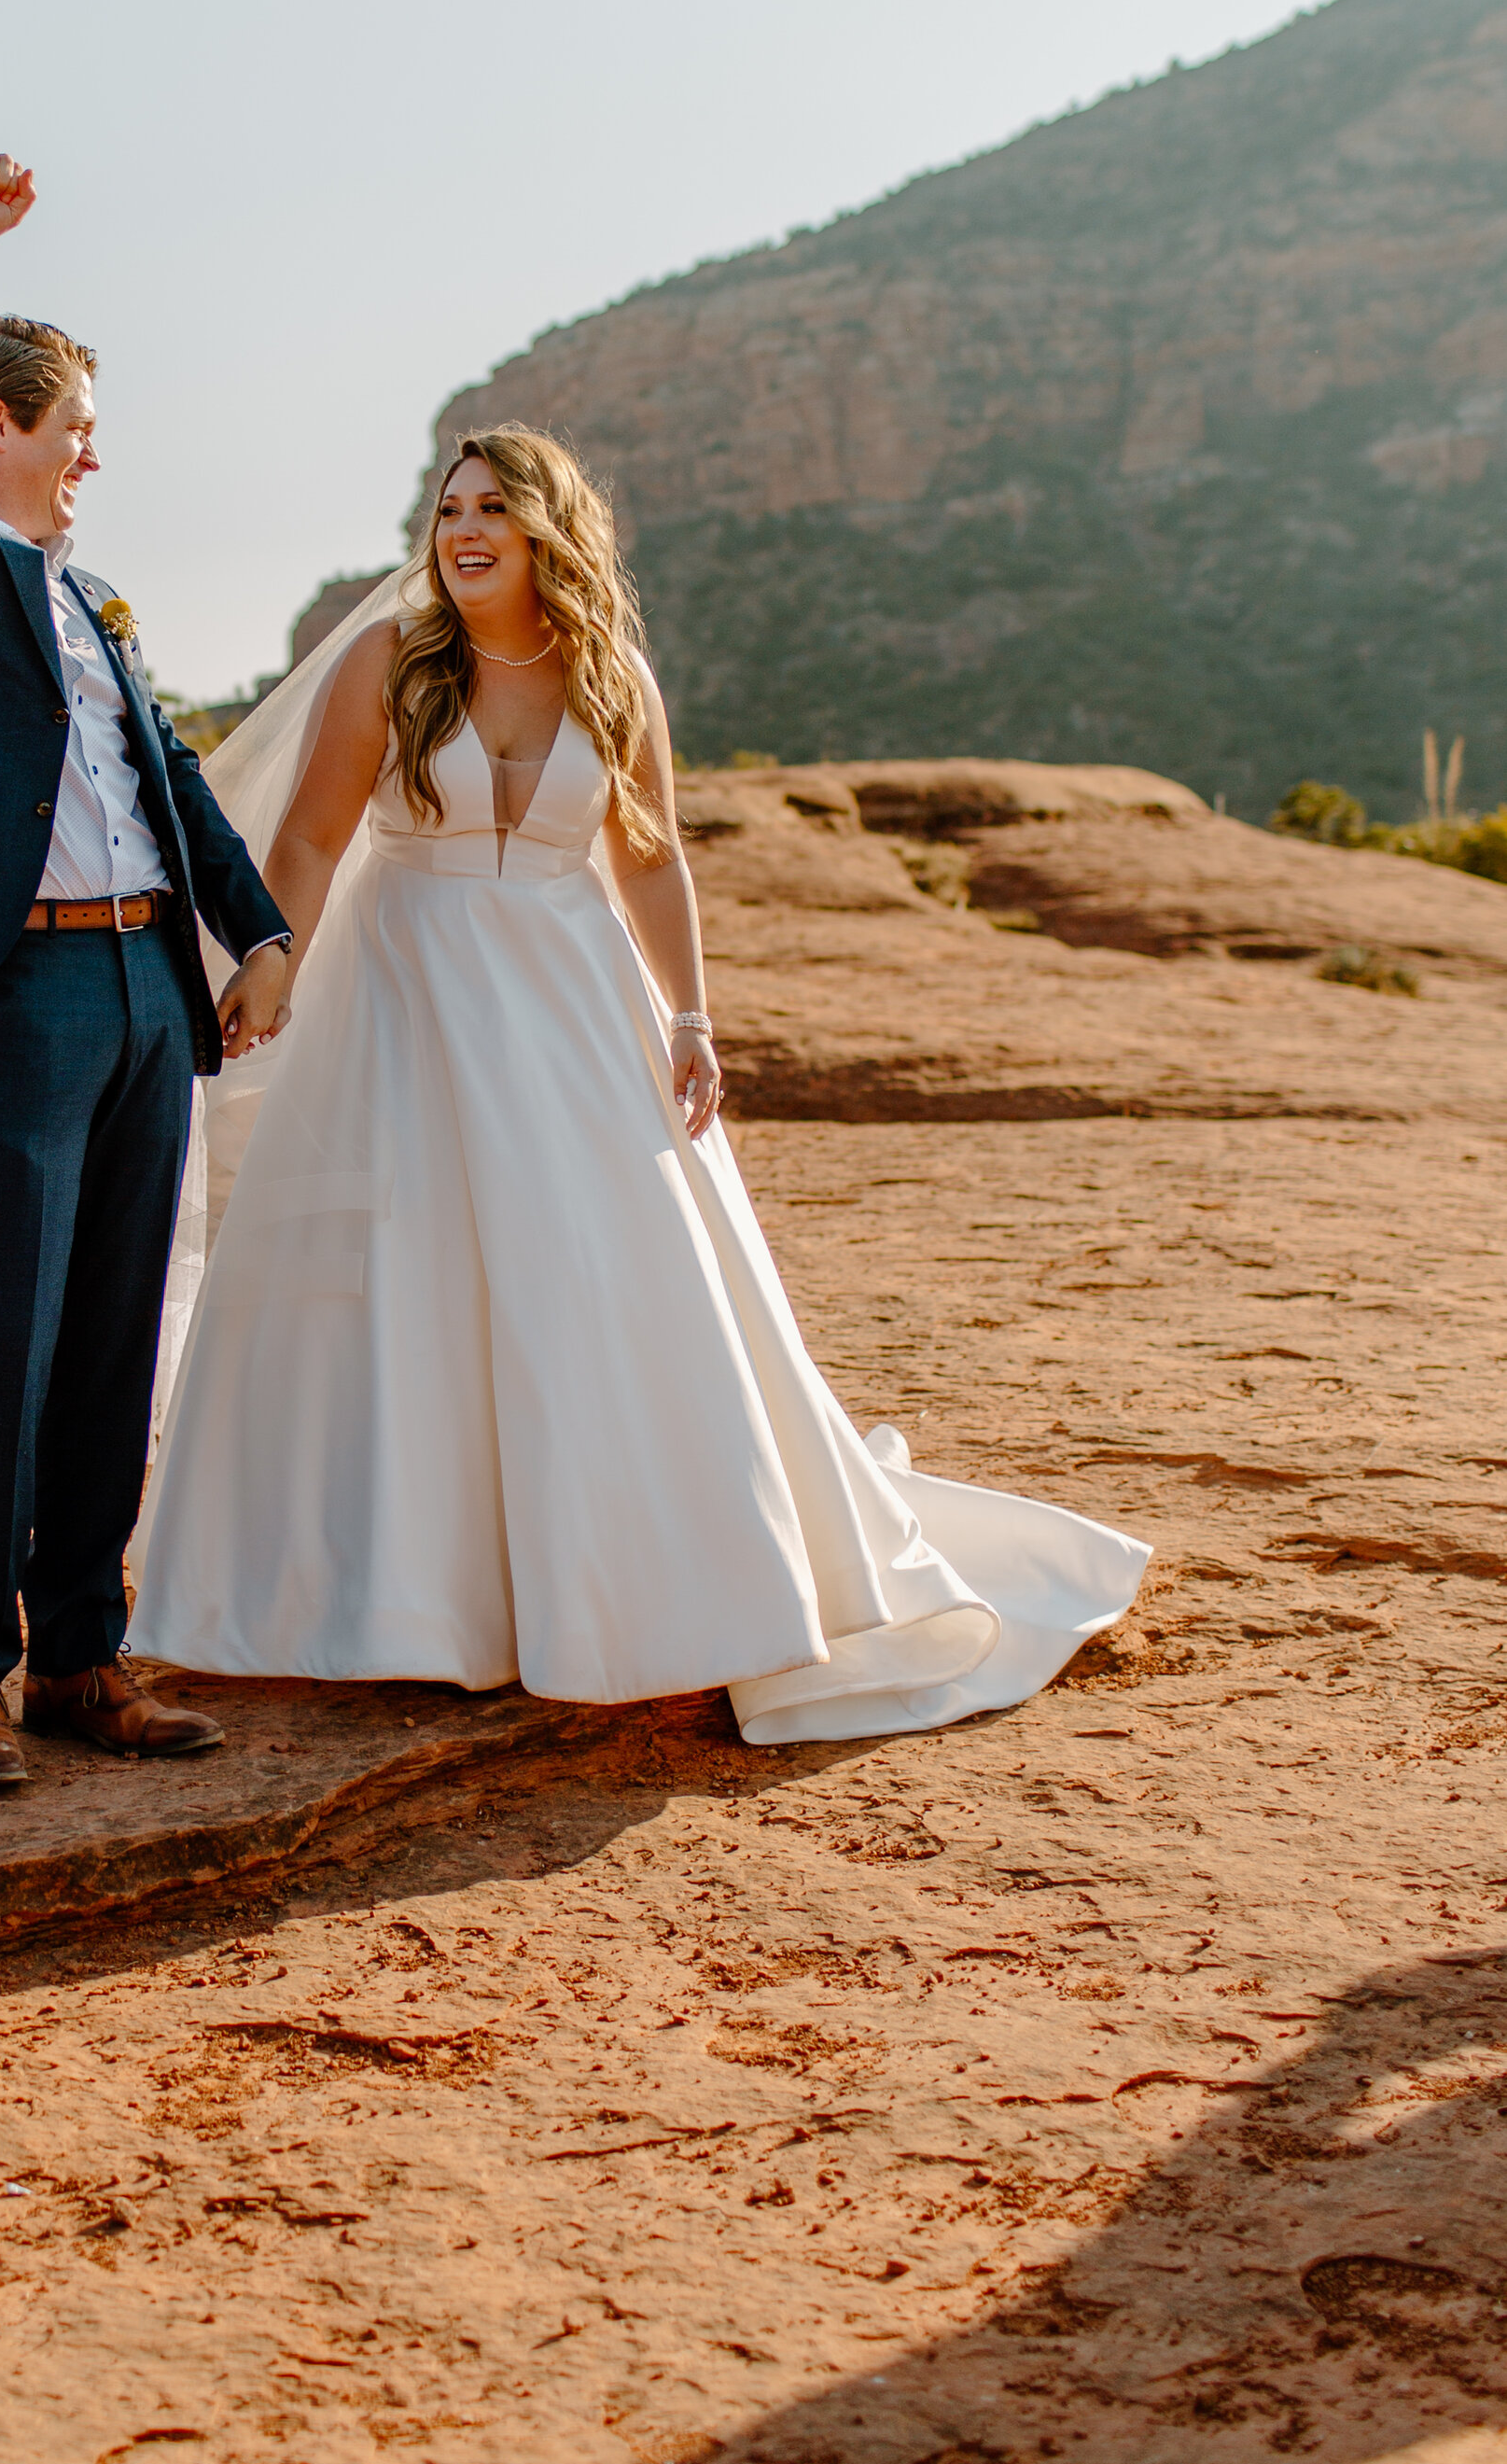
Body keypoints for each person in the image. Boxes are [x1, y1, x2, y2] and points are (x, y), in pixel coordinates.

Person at [130, 425, 1149, 1735]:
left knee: (593, 1270)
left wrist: (691, 1015)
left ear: (548, 524)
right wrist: (274, 962)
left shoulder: (612, 676)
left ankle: (624, 1582)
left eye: (494, 504)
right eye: (448, 509)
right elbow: (315, 835)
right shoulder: (392, 663)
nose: (464, 528)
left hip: (570, 999)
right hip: (406, 995)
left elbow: (653, 861)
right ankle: (393, 1601)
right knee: (406, 1274)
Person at [0, 148, 293, 1795]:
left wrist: (263, 933)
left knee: (113, 1335)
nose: (95, 450)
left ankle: (86, 1652)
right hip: (8, 997)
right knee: (1, 1335)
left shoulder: (93, 599)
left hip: (150, 993)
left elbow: (175, 777)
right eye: (74, 419)